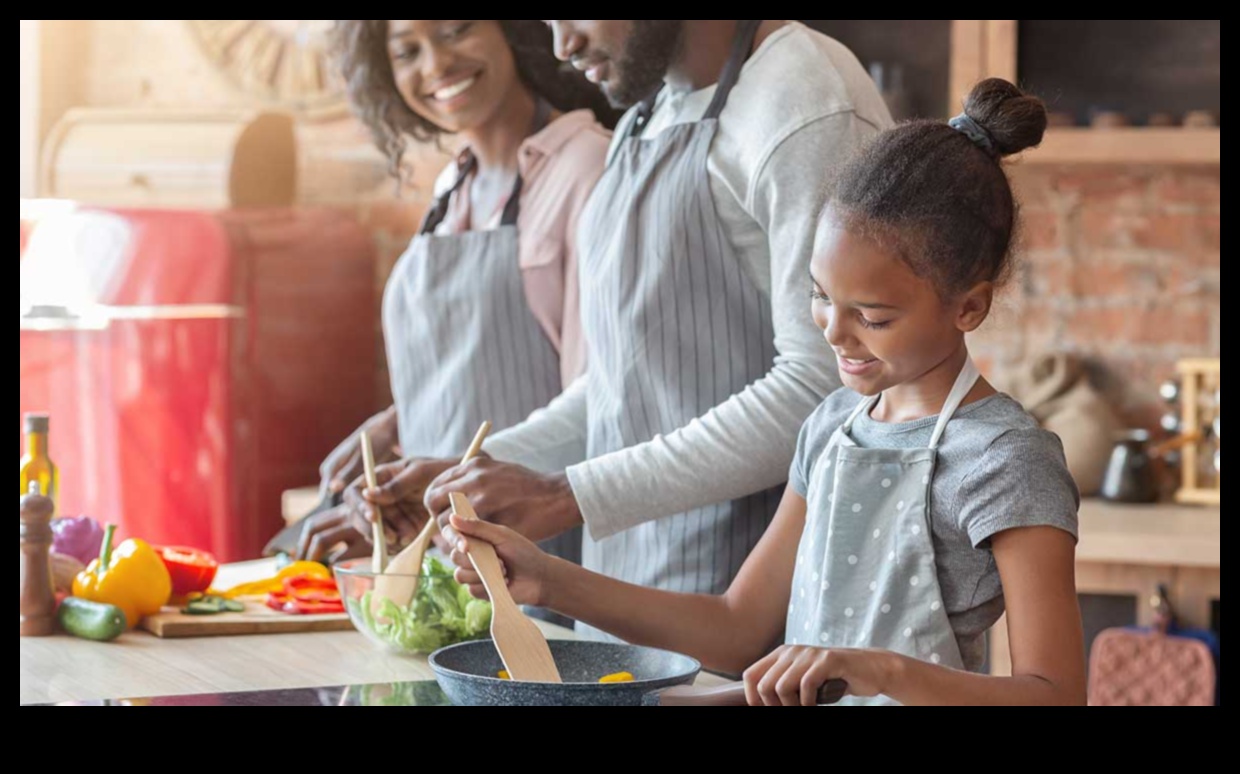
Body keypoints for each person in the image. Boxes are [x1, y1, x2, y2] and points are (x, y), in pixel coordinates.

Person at [445, 78, 1087, 706]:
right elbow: (736, 627)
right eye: (819, 296)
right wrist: (546, 579)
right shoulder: (833, 425)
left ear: (969, 307)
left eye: (874, 316)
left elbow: (1057, 694)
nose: (835, 333)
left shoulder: (1004, 458)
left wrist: (882, 672)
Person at [354, 21, 892, 640]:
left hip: (759, 625)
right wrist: (476, 468)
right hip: (629, 603)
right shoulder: (649, 115)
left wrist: (572, 495)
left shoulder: (805, 104)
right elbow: (617, 386)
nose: (561, 46)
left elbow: (826, 387)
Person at [293, 20, 615, 575]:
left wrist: (450, 475)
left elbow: (603, 393)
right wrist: (397, 424)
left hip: (550, 554)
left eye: (455, 30)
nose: (435, 64)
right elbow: (483, 358)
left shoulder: (586, 168)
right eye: (407, 51)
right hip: (450, 546)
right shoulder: (452, 187)